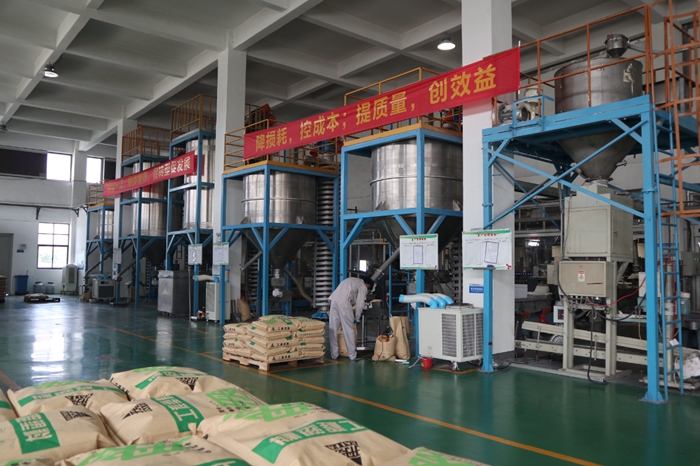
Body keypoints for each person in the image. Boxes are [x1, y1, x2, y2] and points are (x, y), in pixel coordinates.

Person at [328, 276, 373, 360]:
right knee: (349, 329)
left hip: (333, 301)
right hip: (344, 303)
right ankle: (352, 355)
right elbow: (360, 303)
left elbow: (352, 296)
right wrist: (357, 317)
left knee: (333, 328)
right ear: (367, 284)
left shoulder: (352, 280)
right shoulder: (363, 286)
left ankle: (334, 354)